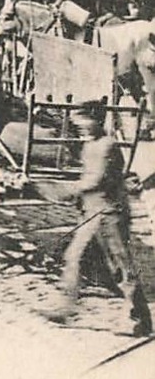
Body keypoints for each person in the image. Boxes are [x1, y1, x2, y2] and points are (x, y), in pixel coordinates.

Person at [44, 101, 152, 336]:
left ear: (97, 120)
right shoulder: (89, 146)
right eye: (77, 121)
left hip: (110, 216)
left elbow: (96, 180)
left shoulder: (107, 146)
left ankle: (140, 320)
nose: (79, 125)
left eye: (84, 120)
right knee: (74, 257)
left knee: (120, 268)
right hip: (92, 214)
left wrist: (65, 189)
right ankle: (65, 307)